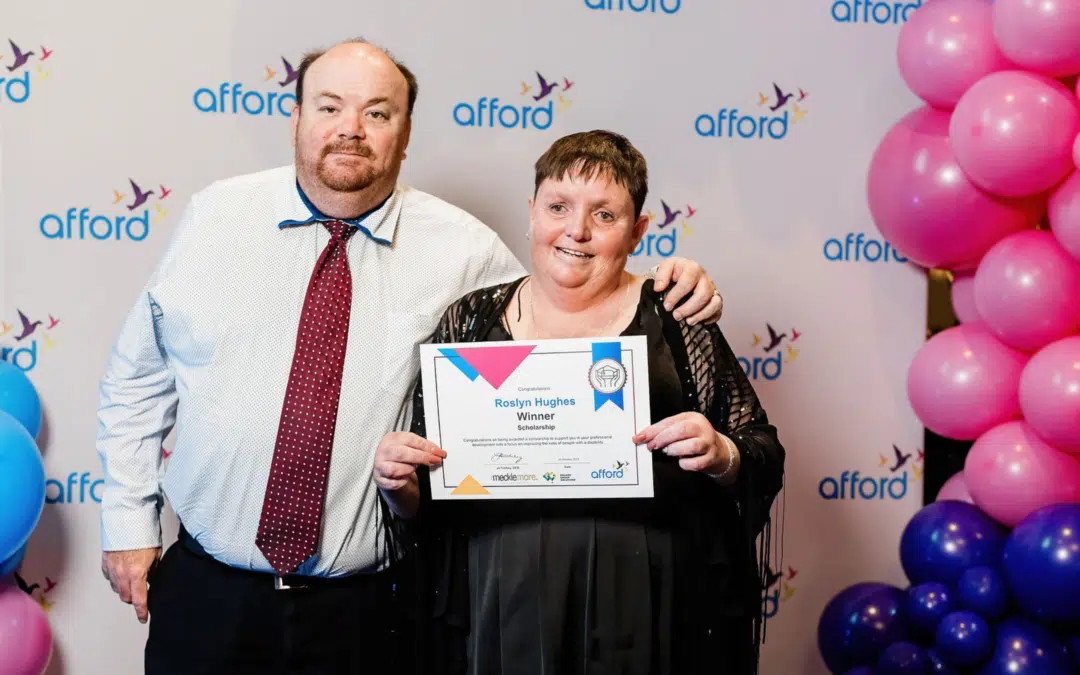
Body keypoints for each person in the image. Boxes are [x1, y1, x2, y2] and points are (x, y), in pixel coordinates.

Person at [95, 38, 724, 674]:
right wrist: (127, 522)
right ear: (296, 118)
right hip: (209, 593)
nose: (350, 129)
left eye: (377, 112)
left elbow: (562, 317)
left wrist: (662, 286)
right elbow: (137, 379)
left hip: (368, 615)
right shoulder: (216, 218)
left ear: (405, 132)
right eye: (329, 106)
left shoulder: (464, 251)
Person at [374, 130, 786, 675]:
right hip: (502, 595)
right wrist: (400, 485)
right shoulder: (469, 320)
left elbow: (760, 449)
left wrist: (721, 454)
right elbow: (427, 494)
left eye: (605, 215)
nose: (577, 230)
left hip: (649, 595)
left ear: (637, 232)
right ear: (531, 212)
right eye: (558, 206)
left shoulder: (675, 315)